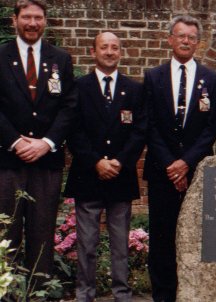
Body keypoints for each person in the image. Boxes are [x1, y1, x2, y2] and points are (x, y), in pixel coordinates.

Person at [143, 15, 216, 302]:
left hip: (198, 171)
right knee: (162, 238)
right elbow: (148, 125)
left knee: (199, 236)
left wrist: (186, 162)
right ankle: (163, 295)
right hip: (162, 170)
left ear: (198, 43)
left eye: (191, 37)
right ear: (170, 39)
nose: (185, 41)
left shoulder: (212, 79)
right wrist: (171, 164)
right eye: (180, 36)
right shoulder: (153, 77)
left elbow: (213, 126)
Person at [64, 32, 146, 302]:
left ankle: (121, 293)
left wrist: (120, 161)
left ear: (121, 52)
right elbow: (73, 132)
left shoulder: (133, 89)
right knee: (87, 243)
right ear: (93, 51)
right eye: (104, 47)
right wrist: (96, 161)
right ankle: (85, 293)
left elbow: (139, 132)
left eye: (114, 48)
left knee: (120, 244)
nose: (109, 52)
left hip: (121, 177)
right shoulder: (79, 87)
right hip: (88, 176)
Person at [0, 0, 76, 285]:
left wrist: (47, 142)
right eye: (27, 17)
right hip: (8, 160)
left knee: (42, 230)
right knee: (6, 230)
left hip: (47, 161)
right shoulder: (1, 56)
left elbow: (69, 107)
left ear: (45, 21)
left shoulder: (60, 59)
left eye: (38, 18)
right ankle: (5, 291)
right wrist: (14, 142)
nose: (32, 23)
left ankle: (39, 289)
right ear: (14, 20)